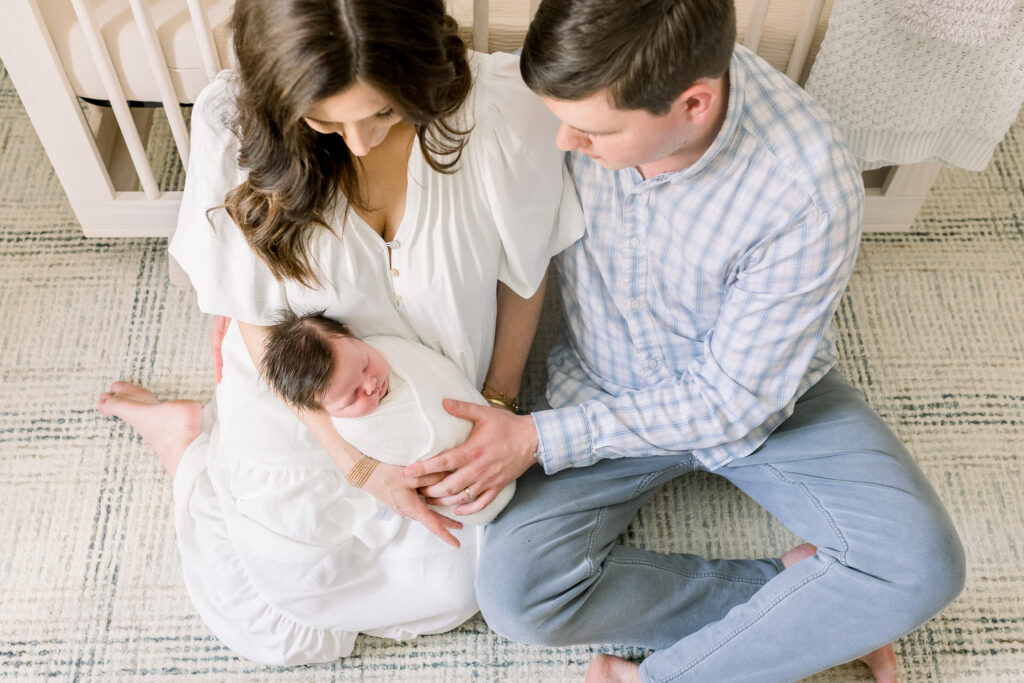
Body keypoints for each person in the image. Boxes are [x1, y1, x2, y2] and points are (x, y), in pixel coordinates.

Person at [406, 1, 966, 681]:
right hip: (602, 382)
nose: (564, 145)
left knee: (920, 566)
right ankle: (800, 603)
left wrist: (536, 437)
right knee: (518, 596)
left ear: (694, 104)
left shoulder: (807, 185)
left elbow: (734, 402)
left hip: (767, 402)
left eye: (593, 132)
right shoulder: (580, 105)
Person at [97, 0, 582, 666]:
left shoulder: (498, 113)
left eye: (384, 112)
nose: (358, 143)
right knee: (283, 616)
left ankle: (193, 442)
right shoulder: (233, 126)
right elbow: (256, 317)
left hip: (434, 402)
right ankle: (186, 446)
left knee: (460, 583)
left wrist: (498, 400)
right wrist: (357, 464)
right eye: (326, 121)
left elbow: (527, 273)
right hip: (305, 400)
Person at [259, 309, 515, 524]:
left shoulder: (387, 348)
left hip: (500, 434)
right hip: (465, 493)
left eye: (365, 365)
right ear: (325, 411)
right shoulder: (357, 429)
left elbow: (439, 373)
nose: (370, 385)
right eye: (352, 396)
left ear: (351, 335)